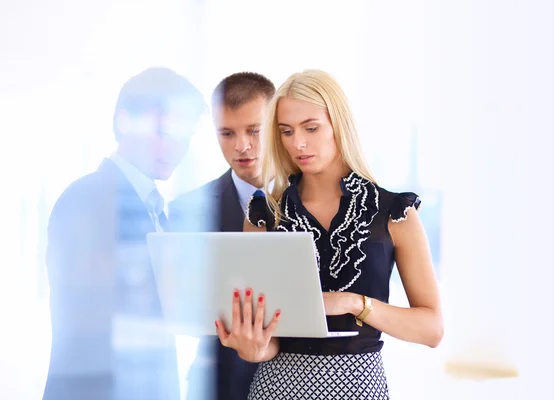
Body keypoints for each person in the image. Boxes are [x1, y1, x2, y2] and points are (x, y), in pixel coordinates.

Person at [214, 69, 444, 399]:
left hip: (360, 389)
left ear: (339, 124)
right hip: (276, 388)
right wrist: (253, 348)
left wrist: (353, 304)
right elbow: (266, 342)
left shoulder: (395, 212)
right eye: (286, 131)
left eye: (311, 127)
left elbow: (432, 329)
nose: (298, 143)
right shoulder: (263, 215)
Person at [43, 67, 206, 400]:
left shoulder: (156, 207)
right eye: (165, 130)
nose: (177, 147)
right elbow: (93, 316)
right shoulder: (87, 197)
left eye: (185, 135)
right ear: (124, 122)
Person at [169, 72, 275, 400]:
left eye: (254, 131)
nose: (241, 146)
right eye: (227, 133)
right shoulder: (187, 210)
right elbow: (178, 308)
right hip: (220, 384)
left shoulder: (317, 201)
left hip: (301, 380)